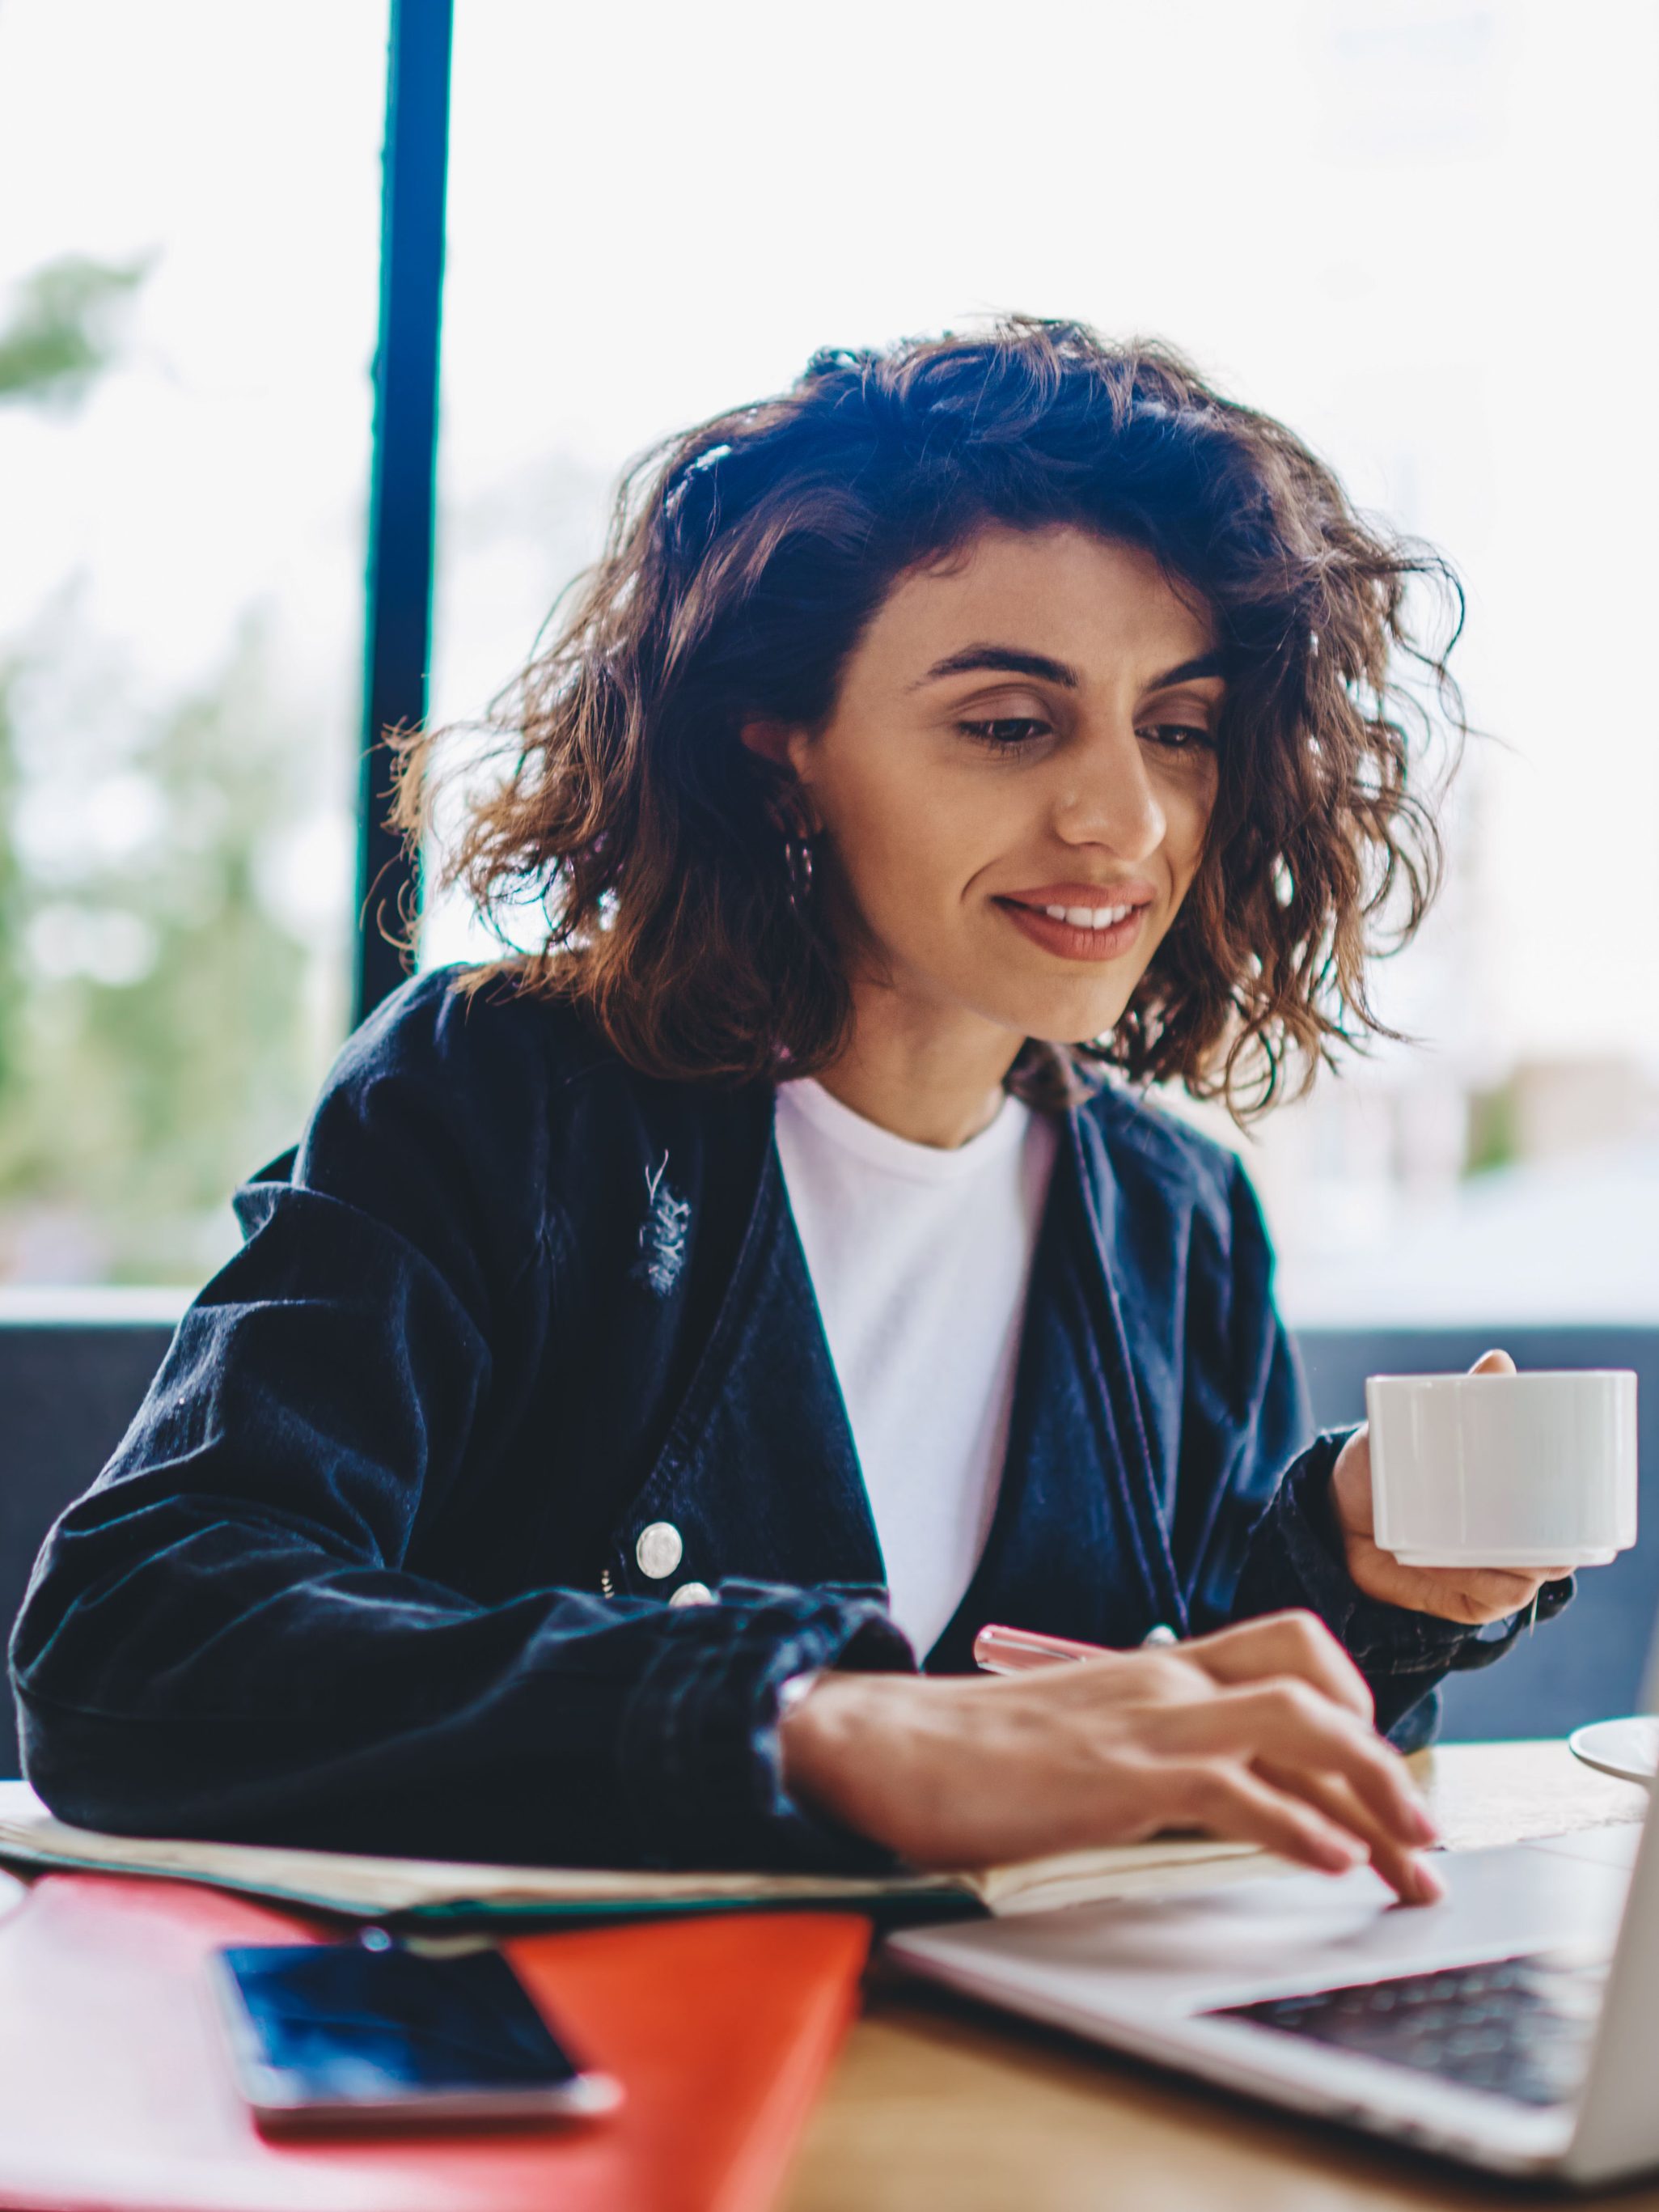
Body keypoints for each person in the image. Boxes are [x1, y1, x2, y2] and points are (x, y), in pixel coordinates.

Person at [10, 317, 1572, 1905]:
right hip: (577, 2101)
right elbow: (136, 1640)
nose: (1126, 816)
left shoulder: (1180, 1213)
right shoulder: (503, 1094)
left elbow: (1158, 1727)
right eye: (1011, 724)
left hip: (1032, 2115)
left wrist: (1358, 1576)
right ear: (782, 745)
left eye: (1176, 726)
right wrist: (814, 1727)